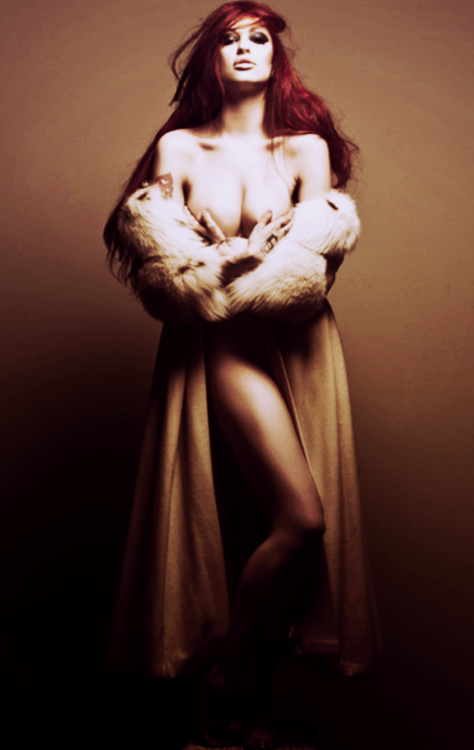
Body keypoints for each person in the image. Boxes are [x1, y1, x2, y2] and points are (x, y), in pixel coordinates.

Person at [104, 2, 380, 747]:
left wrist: (246, 266)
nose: (246, 48)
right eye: (229, 40)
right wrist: (235, 262)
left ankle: (252, 706)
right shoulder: (179, 149)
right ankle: (225, 676)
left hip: (300, 345)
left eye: (259, 38)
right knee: (300, 519)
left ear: (277, 57)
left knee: (272, 527)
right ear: (210, 61)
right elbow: (167, 278)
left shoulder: (305, 151)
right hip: (222, 343)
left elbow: (312, 276)